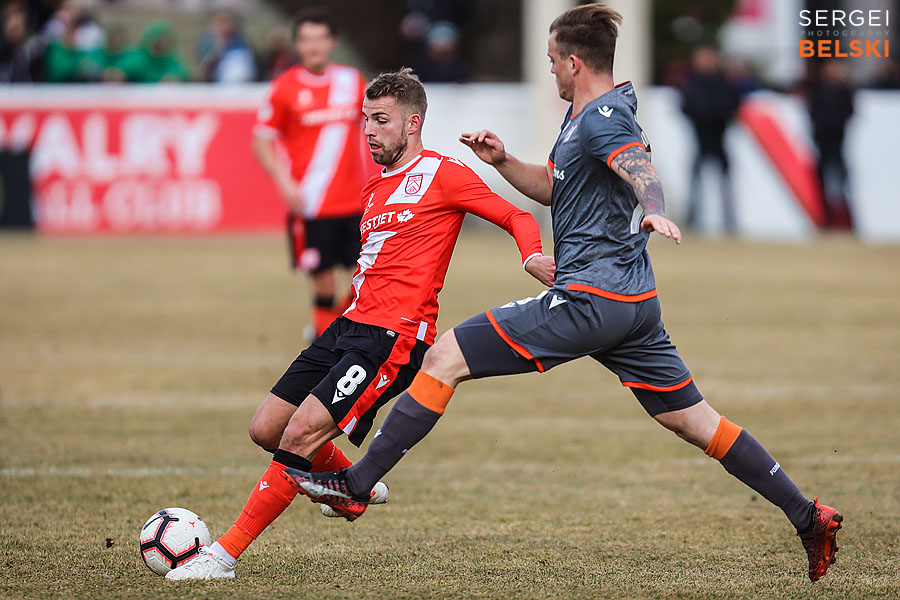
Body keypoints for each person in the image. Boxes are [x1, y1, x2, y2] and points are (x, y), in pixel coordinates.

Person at [287, 5, 843, 584]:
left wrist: (654, 211)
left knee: (445, 355)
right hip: (634, 306)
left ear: (574, 63)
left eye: (553, 61)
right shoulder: (584, 116)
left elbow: (640, 169)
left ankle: (356, 484)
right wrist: (502, 162)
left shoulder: (602, 118)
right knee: (696, 422)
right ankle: (809, 515)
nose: (550, 70)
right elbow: (556, 188)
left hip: (589, 299)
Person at [165, 67, 549, 580]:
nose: (368, 130)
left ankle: (223, 555)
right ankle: (350, 486)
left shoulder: (444, 173)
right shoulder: (371, 191)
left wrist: (532, 257)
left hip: (393, 339)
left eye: (381, 120)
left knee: (299, 435)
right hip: (349, 326)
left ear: (413, 123)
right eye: (365, 119)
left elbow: (517, 216)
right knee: (266, 427)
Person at [253, 9, 377, 339]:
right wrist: (284, 183)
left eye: (320, 39)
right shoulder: (284, 88)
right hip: (311, 203)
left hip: (356, 200)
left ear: (332, 42)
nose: (314, 47)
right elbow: (262, 141)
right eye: (306, 39)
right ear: (297, 44)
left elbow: (376, 126)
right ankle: (324, 350)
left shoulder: (351, 80)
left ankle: (327, 329)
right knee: (323, 281)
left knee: (369, 278)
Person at [681, 45, 740, 233]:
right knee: (695, 182)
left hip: (718, 138)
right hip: (700, 139)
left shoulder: (723, 82)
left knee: (725, 182)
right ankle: (692, 220)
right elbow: (689, 106)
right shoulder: (693, 83)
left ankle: (729, 221)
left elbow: (730, 106)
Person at [806, 59, 854, 230]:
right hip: (822, 146)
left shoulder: (844, 91)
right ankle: (826, 223)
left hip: (838, 146)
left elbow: (848, 114)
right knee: (822, 187)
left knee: (841, 187)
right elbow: (814, 114)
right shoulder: (818, 90)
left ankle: (844, 224)